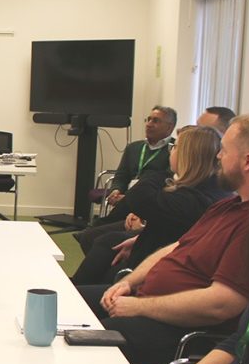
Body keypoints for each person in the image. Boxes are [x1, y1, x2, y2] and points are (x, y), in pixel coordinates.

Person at [76, 115, 249, 364]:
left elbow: (220, 304)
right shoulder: (228, 206)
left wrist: (140, 306)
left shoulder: (248, 224)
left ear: (247, 161)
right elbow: (178, 246)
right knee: (66, 300)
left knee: (82, 347)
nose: (218, 157)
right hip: (145, 303)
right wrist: (129, 282)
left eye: (224, 151)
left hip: (174, 330)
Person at [71, 126, 229, 284]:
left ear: (186, 156)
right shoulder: (207, 188)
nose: (170, 151)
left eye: (175, 147)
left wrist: (171, 169)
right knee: (108, 245)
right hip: (157, 254)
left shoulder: (195, 199)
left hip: (162, 275)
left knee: (106, 254)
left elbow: (139, 196)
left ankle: (76, 292)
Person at [75, 105, 178, 253]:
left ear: (169, 127)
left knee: (96, 234)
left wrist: (127, 197)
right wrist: (116, 189)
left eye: (156, 121)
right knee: (95, 236)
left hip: (147, 202)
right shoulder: (134, 148)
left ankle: (92, 231)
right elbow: (121, 175)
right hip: (126, 198)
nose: (149, 124)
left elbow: (167, 183)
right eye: (148, 119)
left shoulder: (174, 150)